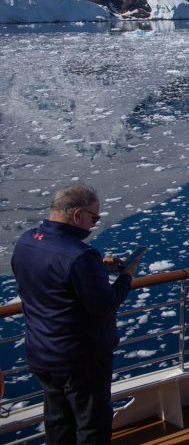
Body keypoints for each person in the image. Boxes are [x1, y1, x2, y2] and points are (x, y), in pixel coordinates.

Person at [11, 183, 139, 444]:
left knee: (58, 422)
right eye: (94, 218)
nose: (94, 225)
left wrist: (96, 269)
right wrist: (126, 277)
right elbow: (103, 304)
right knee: (92, 426)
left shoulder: (26, 242)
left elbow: (53, 281)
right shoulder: (80, 255)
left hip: (42, 353)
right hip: (80, 359)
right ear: (77, 214)